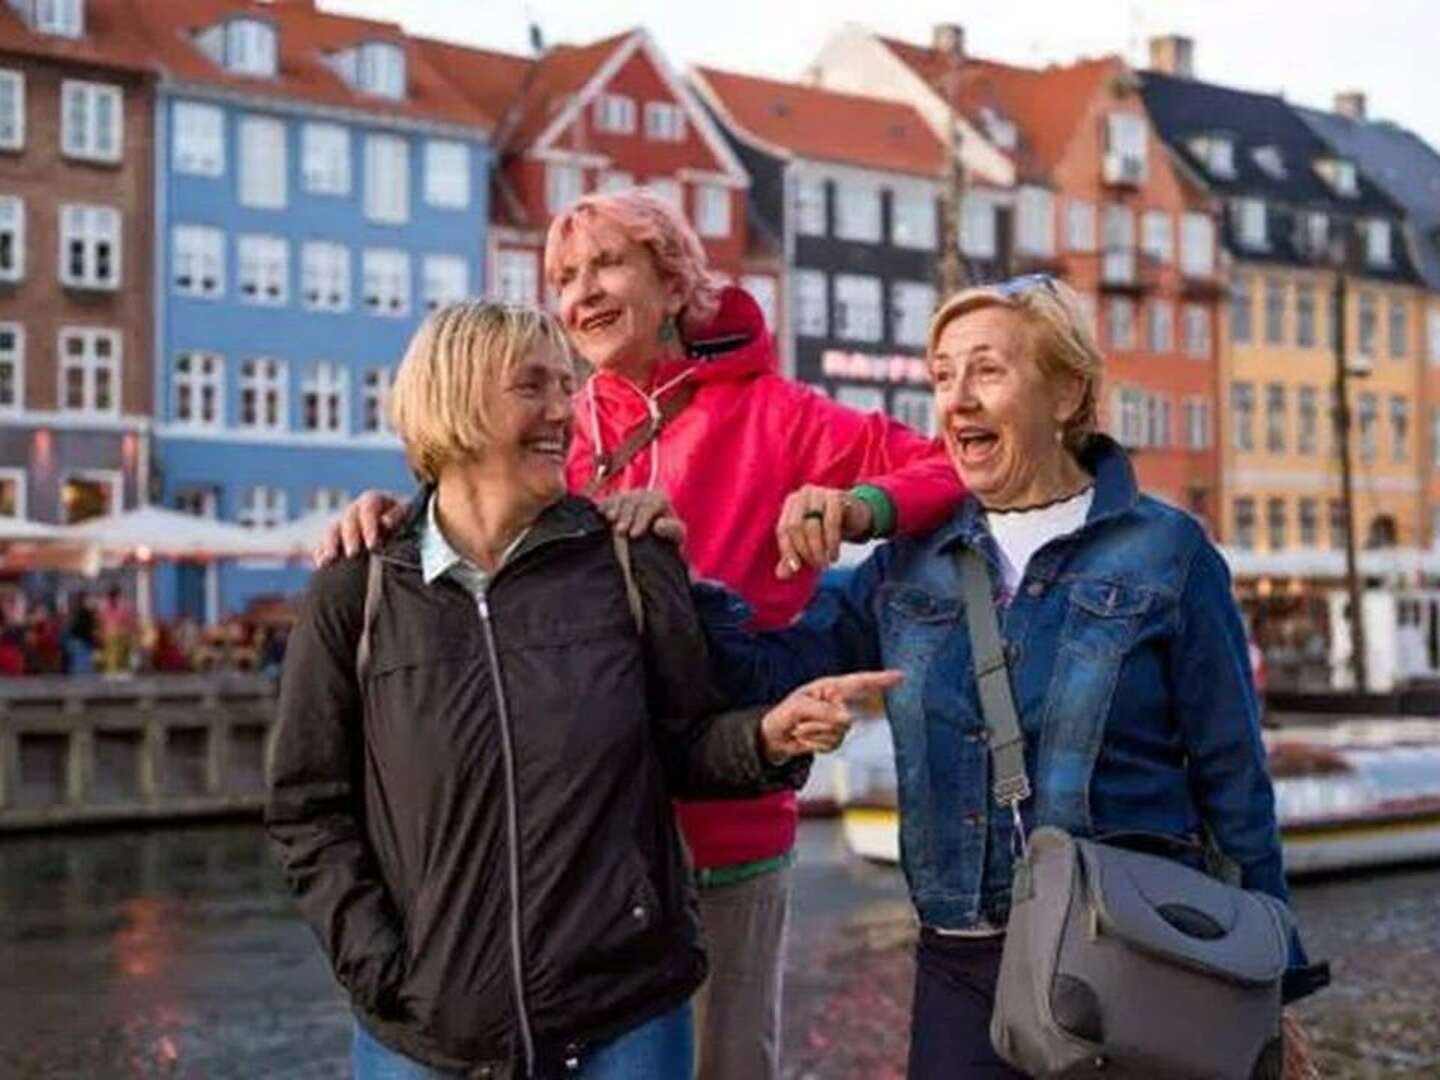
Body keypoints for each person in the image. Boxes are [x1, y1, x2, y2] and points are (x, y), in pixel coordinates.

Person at [317, 189, 964, 1079]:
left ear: (673, 281)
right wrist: (396, 519)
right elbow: (472, 538)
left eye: (605, 265)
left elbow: (951, 467)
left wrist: (860, 505)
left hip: (725, 809)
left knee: (728, 1065)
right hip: (575, 839)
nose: (579, 294)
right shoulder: (559, 429)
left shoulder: (781, 417)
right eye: (562, 278)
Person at [694, 276, 1320, 1078]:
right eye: (943, 375)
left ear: (1066, 391)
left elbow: (1235, 783)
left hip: (1135, 957)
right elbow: (760, 667)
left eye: (986, 371)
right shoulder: (907, 564)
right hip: (961, 966)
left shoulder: (1169, 552)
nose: (957, 399)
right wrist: (674, 566)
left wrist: (1273, 987)